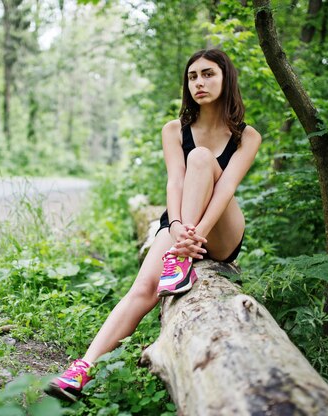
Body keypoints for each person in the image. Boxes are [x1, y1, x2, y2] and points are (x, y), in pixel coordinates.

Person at [46, 48, 262, 402]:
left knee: (202, 158)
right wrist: (176, 227)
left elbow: (225, 190)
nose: (199, 83)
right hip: (179, 223)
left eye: (208, 74)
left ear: (227, 78)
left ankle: (179, 259)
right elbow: (175, 183)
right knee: (143, 289)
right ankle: (81, 369)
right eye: (192, 77)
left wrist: (195, 237)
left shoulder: (246, 135)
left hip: (220, 230)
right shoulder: (175, 129)